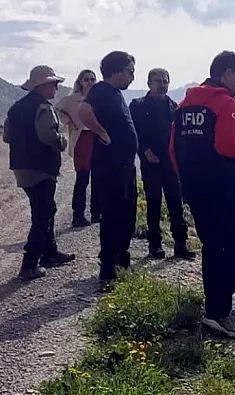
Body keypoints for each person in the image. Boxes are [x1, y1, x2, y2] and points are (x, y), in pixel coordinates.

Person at [170, 50, 235, 338]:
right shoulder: (226, 104)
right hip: (224, 187)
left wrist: (187, 180)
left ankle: (214, 308)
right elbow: (227, 146)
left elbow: (173, 149)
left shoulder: (184, 104)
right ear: (227, 74)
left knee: (211, 245)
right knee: (234, 245)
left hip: (195, 188)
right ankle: (220, 312)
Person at [2, 65, 76, 280]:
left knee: (46, 209)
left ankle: (50, 253)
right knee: (41, 215)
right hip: (40, 168)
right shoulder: (43, 107)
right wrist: (61, 141)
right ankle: (29, 264)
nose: (56, 87)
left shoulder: (16, 108)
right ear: (42, 86)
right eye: (54, 84)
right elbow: (48, 136)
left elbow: (7, 137)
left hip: (21, 167)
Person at [77, 51, 139, 286]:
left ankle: (120, 264)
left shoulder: (111, 93)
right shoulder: (102, 90)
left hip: (121, 165)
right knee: (114, 217)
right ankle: (109, 270)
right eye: (130, 71)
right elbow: (83, 111)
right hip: (112, 167)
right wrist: (101, 133)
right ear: (119, 70)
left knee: (125, 217)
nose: (132, 77)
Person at [129, 68, 194, 260]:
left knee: (175, 203)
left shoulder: (174, 107)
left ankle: (180, 244)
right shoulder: (138, 106)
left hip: (171, 163)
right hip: (151, 164)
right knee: (153, 203)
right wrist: (145, 150)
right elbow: (133, 133)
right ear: (149, 83)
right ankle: (154, 244)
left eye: (165, 81)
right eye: (157, 81)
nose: (161, 85)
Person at [55, 69, 100, 227]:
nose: (89, 82)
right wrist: (69, 122)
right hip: (81, 139)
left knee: (97, 178)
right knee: (82, 178)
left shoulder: (97, 98)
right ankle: (78, 215)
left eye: (92, 79)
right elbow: (57, 110)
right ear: (80, 81)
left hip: (96, 138)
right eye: (86, 79)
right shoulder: (72, 99)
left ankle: (96, 212)